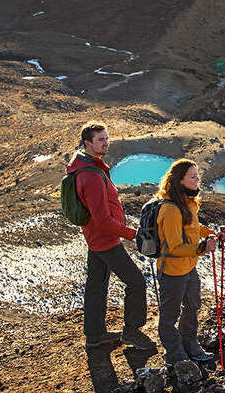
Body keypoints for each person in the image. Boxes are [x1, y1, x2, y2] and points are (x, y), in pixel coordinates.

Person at [67, 121, 155, 350]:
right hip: (105, 240)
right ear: (88, 143)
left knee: (96, 285)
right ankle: (131, 331)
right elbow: (103, 220)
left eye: (107, 138)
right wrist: (135, 234)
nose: (106, 143)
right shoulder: (92, 176)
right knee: (136, 282)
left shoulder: (88, 167)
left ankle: (94, 335)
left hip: (96, 238)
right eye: (100, 140)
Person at [153, 158, 225, 364]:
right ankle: (175, 354)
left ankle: (190, 344)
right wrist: (202, 248)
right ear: (180, 180)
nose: (198, 180)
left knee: (193, 306)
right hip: (172, 271)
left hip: (189, 267)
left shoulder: (188, 202)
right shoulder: (170, 210)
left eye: (197, 176)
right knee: (170, 315)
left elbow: (194, 228)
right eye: (192, 177)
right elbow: (174, 247)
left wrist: (212, 233)